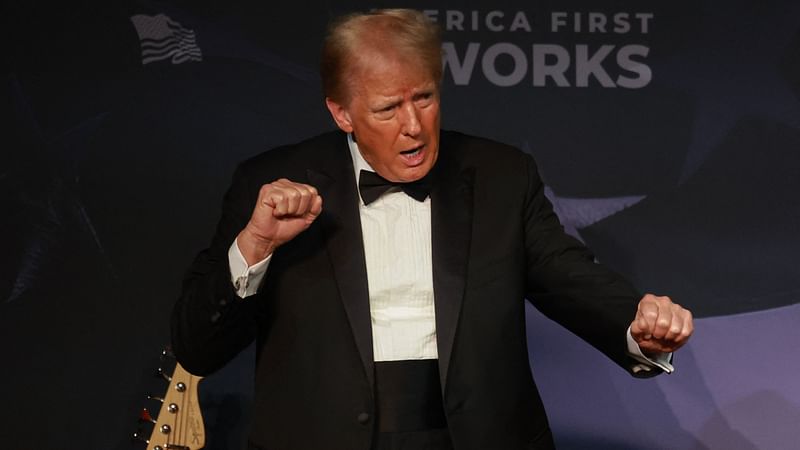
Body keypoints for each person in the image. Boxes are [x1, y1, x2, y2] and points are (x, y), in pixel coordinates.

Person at [171, 9, 693, 450]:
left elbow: (568, 274)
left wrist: (636, 327)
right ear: (342, 113)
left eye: (423, 98)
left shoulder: (501, 175)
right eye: (387, 109)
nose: (413, 126)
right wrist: (255, 245)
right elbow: (198, 347)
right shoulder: (270, 184)